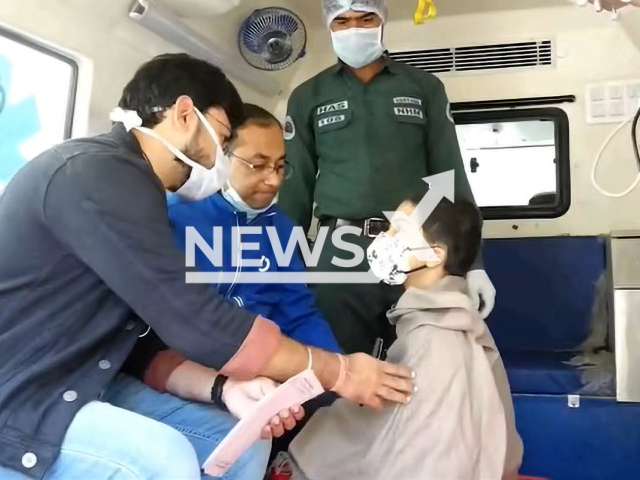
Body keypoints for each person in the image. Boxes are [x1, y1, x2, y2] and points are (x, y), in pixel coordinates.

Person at [0, 54, 414, 480]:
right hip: (26, 395)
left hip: (94, 378)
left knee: (243, 444)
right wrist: (338, 372)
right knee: (166, 459)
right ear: (184, 114)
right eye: (221, 138)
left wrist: (226, 390)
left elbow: (136, 341)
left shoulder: (140, 190)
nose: (219, 158)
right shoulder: (96, 176)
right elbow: (196, 320)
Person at [279, 0, 497, 356]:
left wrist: (473, 264)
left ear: (382, 22)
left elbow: (451, 175)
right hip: (339, 250)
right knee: (339, 363)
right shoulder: (307, 97)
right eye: (342, 22)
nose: (354, 29)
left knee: (422, 362)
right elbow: (294, 189)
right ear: (329, 28)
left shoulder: (424, 87)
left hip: (417, 245)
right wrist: (285, 266)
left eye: (366, 19)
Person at [287, 193, 523, 480]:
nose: (384, 238)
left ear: (435, 255)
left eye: (398, 231)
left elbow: (424, 459)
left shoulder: (436, 342)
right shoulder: (442, 317)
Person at [167, 104, 341, 353]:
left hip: (262, 362)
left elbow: (299, 315)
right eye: (258, 165)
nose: (274, 181)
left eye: (280, 166)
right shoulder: (174, 218)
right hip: (190, 366)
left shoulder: (281, 229)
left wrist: (341, 371)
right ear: (219, 158)